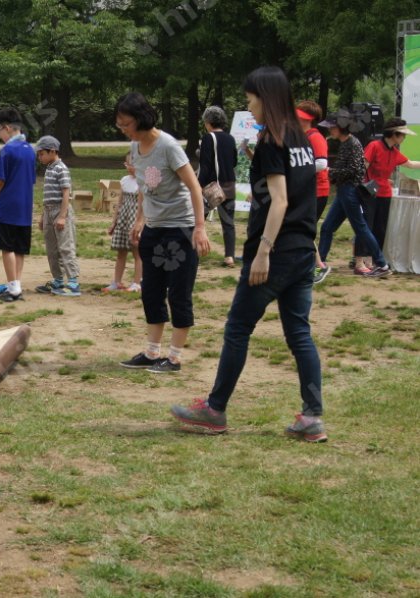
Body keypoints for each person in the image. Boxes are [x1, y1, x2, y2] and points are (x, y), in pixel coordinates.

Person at [171, 66, 327, 442]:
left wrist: (262, 253)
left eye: (251, 99)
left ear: (266, 97)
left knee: (239, 328)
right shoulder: (302, 139)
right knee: (299, 334)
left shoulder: (274, 140)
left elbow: (280, 201)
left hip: (276, 253)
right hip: (304, 251)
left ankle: (215, 408)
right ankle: (312, 417)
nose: (249, 106)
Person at [116, 92, 210, 374]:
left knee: (178, 293)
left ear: (142, 119)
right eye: (119, 124)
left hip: (179, 230)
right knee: (152, 292)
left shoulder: (168, 146)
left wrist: (200, 227)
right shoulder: (135, 148)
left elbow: (195, 187)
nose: (122, 129)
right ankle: (151, 352)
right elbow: (146, 188)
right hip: (154, 230)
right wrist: (140, 221)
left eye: (126, 124)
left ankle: (175, 357)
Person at [316, 109, 392, 279]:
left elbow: (355, 172)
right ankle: (320, 263)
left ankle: (382, 263)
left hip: (349, 191)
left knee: (361, 228)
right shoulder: (347, 143)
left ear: (340, 128)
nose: (330, 130)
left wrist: (331, 171)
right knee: (327, 227)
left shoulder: (353, 144)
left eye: (332, 127)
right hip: (344, 191)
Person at [359, 118, 420, 266]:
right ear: (394, 134)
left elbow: (411, 164)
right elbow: (362, 168)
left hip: (385, 194)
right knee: (368, 226)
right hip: (370, 193)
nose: (404, 138)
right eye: (403, 135)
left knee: (380, 228)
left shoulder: (394, 152)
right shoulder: (374, 146)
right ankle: (363, 258)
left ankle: (375, 259)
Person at [0, 107, 36, 302]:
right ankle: (16, 284)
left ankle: (13, 287)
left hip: (8, 205)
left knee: (6, 247)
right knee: (19, 248)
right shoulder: (30, 150)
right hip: (25, 207)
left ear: (7, 128)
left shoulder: (7, 150)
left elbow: (0, 180)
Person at [33, 135, 81, 297]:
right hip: (48, 211)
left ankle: (73, 282)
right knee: (51, 248)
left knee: (65, 247)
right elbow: (47, 197)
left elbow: (66, 192)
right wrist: (42, 216)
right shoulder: (49, 168)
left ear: (52, 151)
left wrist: (62, 216)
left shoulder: (61, 168)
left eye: (41, 154)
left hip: (60, 210)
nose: (39, 157)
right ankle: (58, 280)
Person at [294, 101, 331, 283]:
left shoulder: (315, 137)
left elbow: (322, 163)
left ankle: (318, 266)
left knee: (303, 231)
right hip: (311, 190)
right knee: (302, 230)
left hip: (317, 192)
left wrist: (298, 168)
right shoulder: (306, 136)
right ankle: (314, 266)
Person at [198, 106, 238, 267]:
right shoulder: (230, 138)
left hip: (213, 186)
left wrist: (198, 185)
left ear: (208, 122)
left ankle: (195, 251)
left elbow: (206, 166)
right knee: (228, 222)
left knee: (199, 219)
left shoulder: (208, 138)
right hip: (229, 184)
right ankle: (229, 256)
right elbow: (234, 161)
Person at [104, 155, 142, 292]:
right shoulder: (125, 180)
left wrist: (140, 223)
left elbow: (145, 205)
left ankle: (137, 283)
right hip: (123, 219)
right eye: (126, 164)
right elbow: (119, 202)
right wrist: (114, 222)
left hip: (135, 219)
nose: (127, 166)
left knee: (137, 252)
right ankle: (117, 282)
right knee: (121, 252)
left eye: (129, 164)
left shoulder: (143, 181)